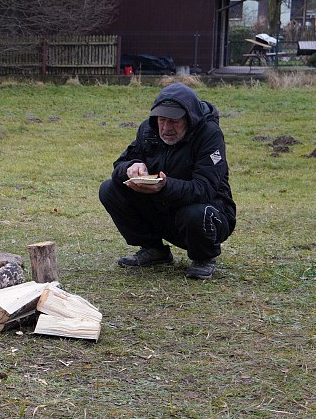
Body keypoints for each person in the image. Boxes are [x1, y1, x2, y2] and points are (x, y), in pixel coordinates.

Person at [98, 82, 235, 281]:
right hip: (164, 207)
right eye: (162, 120)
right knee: (109, 189)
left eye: (174, 121)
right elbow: (120, 163)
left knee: (196, 213)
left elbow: (204, 189)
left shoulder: (209, 135)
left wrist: (164, 186)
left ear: (189, 118)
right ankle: (153, 249)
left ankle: (204, 258)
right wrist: (132, 167)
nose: (166, 128)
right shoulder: (148, 130)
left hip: (210, 212)